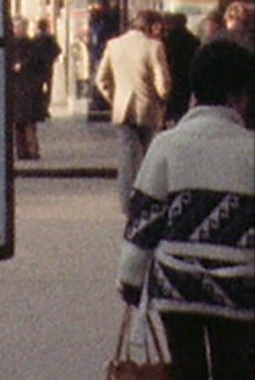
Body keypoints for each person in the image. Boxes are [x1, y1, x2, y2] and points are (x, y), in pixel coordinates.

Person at [116, 40, 254, 380]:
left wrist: (129, 280)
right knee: (234, 367)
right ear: (239, 95)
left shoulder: (167, 145)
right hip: (239, 287)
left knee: (186, 368)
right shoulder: (251, 150)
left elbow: (144, 222)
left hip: (177, 285)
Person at [97, 10, 171, 215]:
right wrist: (162, 99)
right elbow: (162, 83)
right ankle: (141, 199)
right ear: (149, 27)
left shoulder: (114, 45)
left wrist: (114, 98)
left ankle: (127, 201)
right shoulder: (154, 47)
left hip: (122, 109)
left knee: (127, 155)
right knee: (144, 154)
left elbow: (101, 79)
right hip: (147, 109)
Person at [9, 18, 44, 160]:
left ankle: (32, 150)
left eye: (21, 27)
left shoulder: (32, 45)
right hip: (17, 88)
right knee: (18, 123)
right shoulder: (11, 45)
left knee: (29, 122)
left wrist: (23, 66)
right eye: (17, 27)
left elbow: (37, 64)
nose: (19, 30)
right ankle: (21, 151)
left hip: (28, 88)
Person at [162, 12, 200, 127]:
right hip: (186, 76)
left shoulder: (166, 40)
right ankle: (180, 122)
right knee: (182, 104)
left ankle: (166, 122)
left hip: (171, 74)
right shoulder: (193, 39)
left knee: (169, 103)